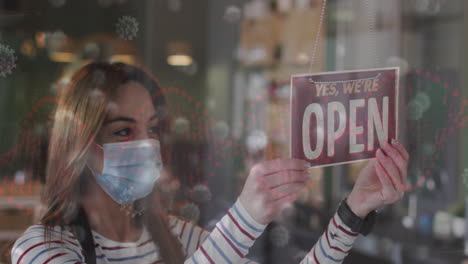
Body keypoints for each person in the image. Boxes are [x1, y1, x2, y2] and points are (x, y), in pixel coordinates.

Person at [11, 62, 409, 264]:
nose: (146, 145)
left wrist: (352, 213)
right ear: (80, 144)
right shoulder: (42, 250)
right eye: (122, 131)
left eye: (151, 128)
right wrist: (245, 220)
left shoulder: (177, 238)